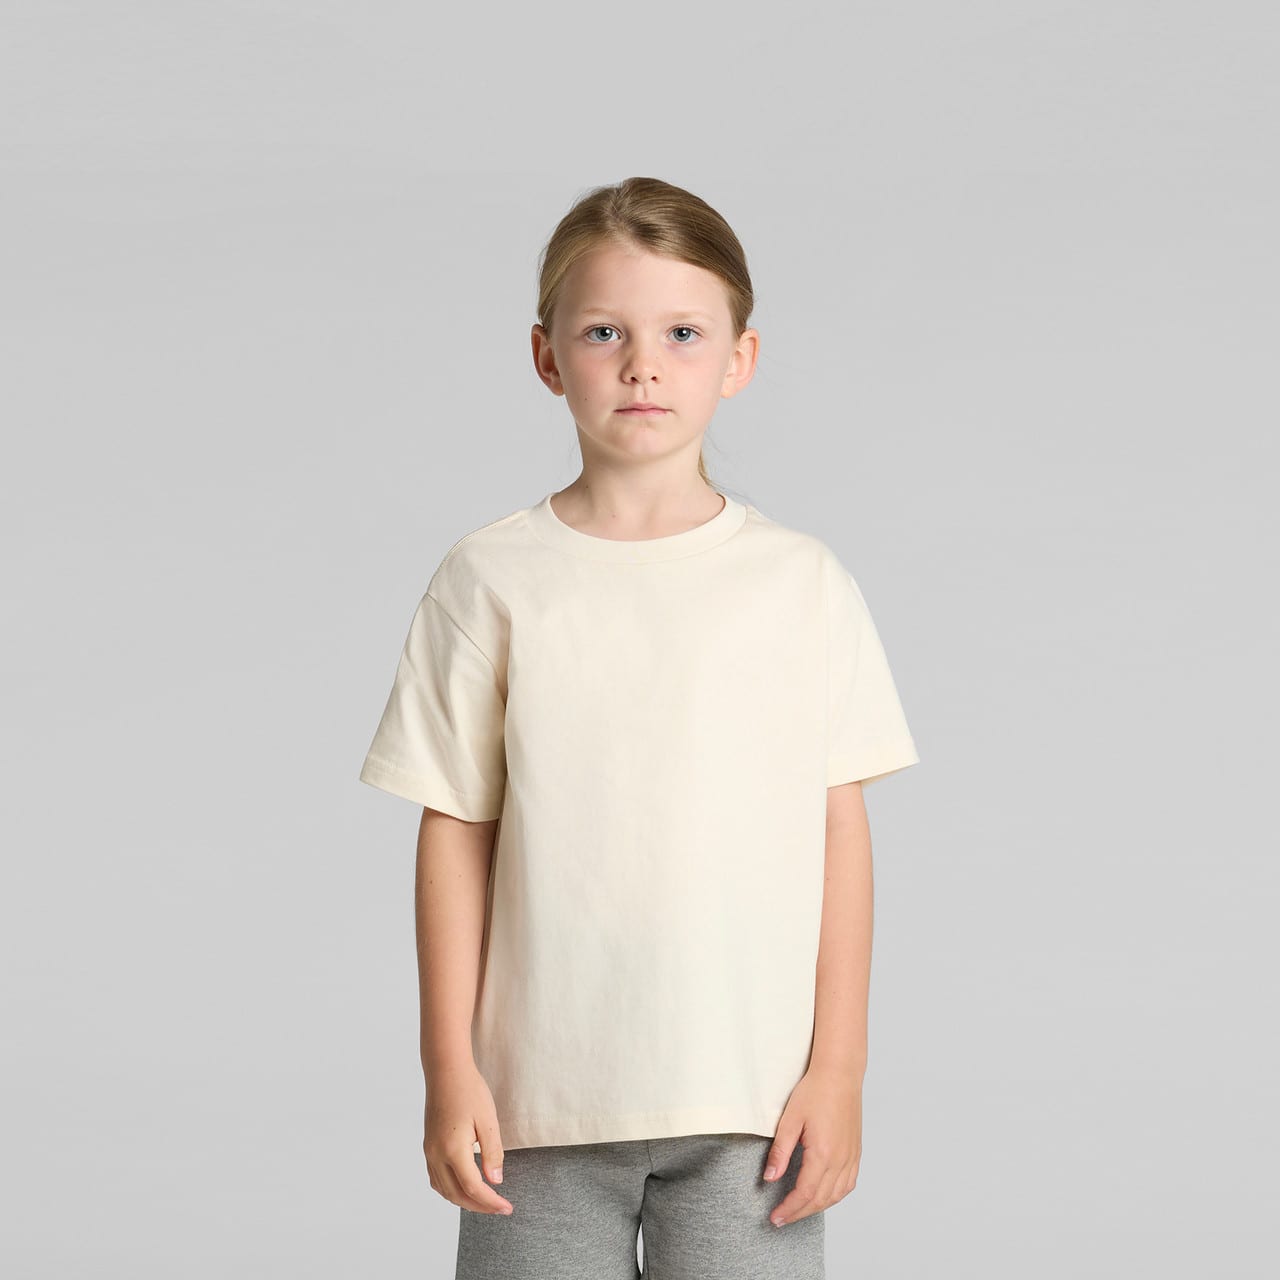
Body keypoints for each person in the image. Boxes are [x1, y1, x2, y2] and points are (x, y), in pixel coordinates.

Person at [357, 176, 920, 1280]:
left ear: (739, 358)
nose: (642, 366)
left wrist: (839, 1070)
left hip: (753, 1105)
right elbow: (455, 830)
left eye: (681, 334)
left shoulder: (798, 583)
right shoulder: (491, 578)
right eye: (604, 331)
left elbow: (837, 831)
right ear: (546, 356)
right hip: (536, 1106)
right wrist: (448, 1068)